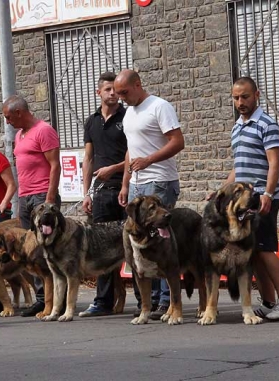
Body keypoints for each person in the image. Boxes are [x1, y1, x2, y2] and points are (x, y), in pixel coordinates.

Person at [115, 69, 185, 320]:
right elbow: (130, 152)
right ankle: (151, 302)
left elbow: (177, 141)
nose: (121, 98)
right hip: (137, 183)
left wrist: (149, 160)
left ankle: (169, 302)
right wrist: (125, 183)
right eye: (118, 93)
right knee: (141, 243)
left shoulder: (159, 106)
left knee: (163, 242)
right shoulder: (129, 113)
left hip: (160, 181)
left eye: (124, 92)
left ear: (137, 85)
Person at [226, 77, 279, 320]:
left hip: (263, 199)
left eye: (245, 96)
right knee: (254, 252)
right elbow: (239, 166)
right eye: (236, 98)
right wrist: (223, 190)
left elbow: (274, 163)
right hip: (244, 203)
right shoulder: (237, 127)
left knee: (266, 250)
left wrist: (266, 193)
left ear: (257, 94)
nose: (240, 102)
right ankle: (268, 302)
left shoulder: (266, 123)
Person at [2, 95, 61, 317]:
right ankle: (40, 298)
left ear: (19, 112)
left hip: (41, 197)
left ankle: (55, 299)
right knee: (31, 251)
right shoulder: (19, 135)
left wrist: (49, 199)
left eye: (8, 117)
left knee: (48, 249)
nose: (7, 122)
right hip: (26, 198)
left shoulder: (43, 130)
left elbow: (55, 165)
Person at [79, 71, 128, 317]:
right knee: (103, 249)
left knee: (134, 245)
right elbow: (88, 158)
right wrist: (87, 192)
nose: (113, 93)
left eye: (115, 90)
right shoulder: (92, 121)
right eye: (108, 89)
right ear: (99, 92)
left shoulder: (128, 117)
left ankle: (145, 301)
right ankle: (103, 302)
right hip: (101, 193)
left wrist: (116, 170)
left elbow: (135, 153)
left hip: (127, 189)